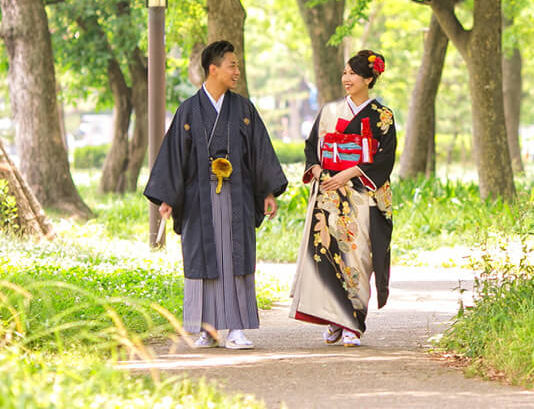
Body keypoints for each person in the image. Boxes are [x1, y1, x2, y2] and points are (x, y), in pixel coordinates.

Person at [143, 40, 288, 350]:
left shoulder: (244, 109)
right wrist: (167, 197)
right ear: (213, 69)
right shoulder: (189, 110)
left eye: (237, 65)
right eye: (232, 65)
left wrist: (267, 192)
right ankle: (207, 329)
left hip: (237, 195)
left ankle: (236, 328)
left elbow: (258, 153)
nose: (237, 71)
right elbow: (174, 157)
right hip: (199, 199)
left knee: (235, 257)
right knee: (203, 259)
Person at [290, 49, 396, 346]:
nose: (346, 78)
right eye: (345, 73)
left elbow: (385, 158)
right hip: (329, 195)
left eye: (353, 73)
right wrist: (317, 169)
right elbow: (312, 146)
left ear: (369, 78)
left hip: (362, 195)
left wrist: (349, 173)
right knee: (327, 253)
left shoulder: (383, 116)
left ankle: (353, 323)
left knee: (359, 258)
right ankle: (335, 318)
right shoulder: (328, 111)